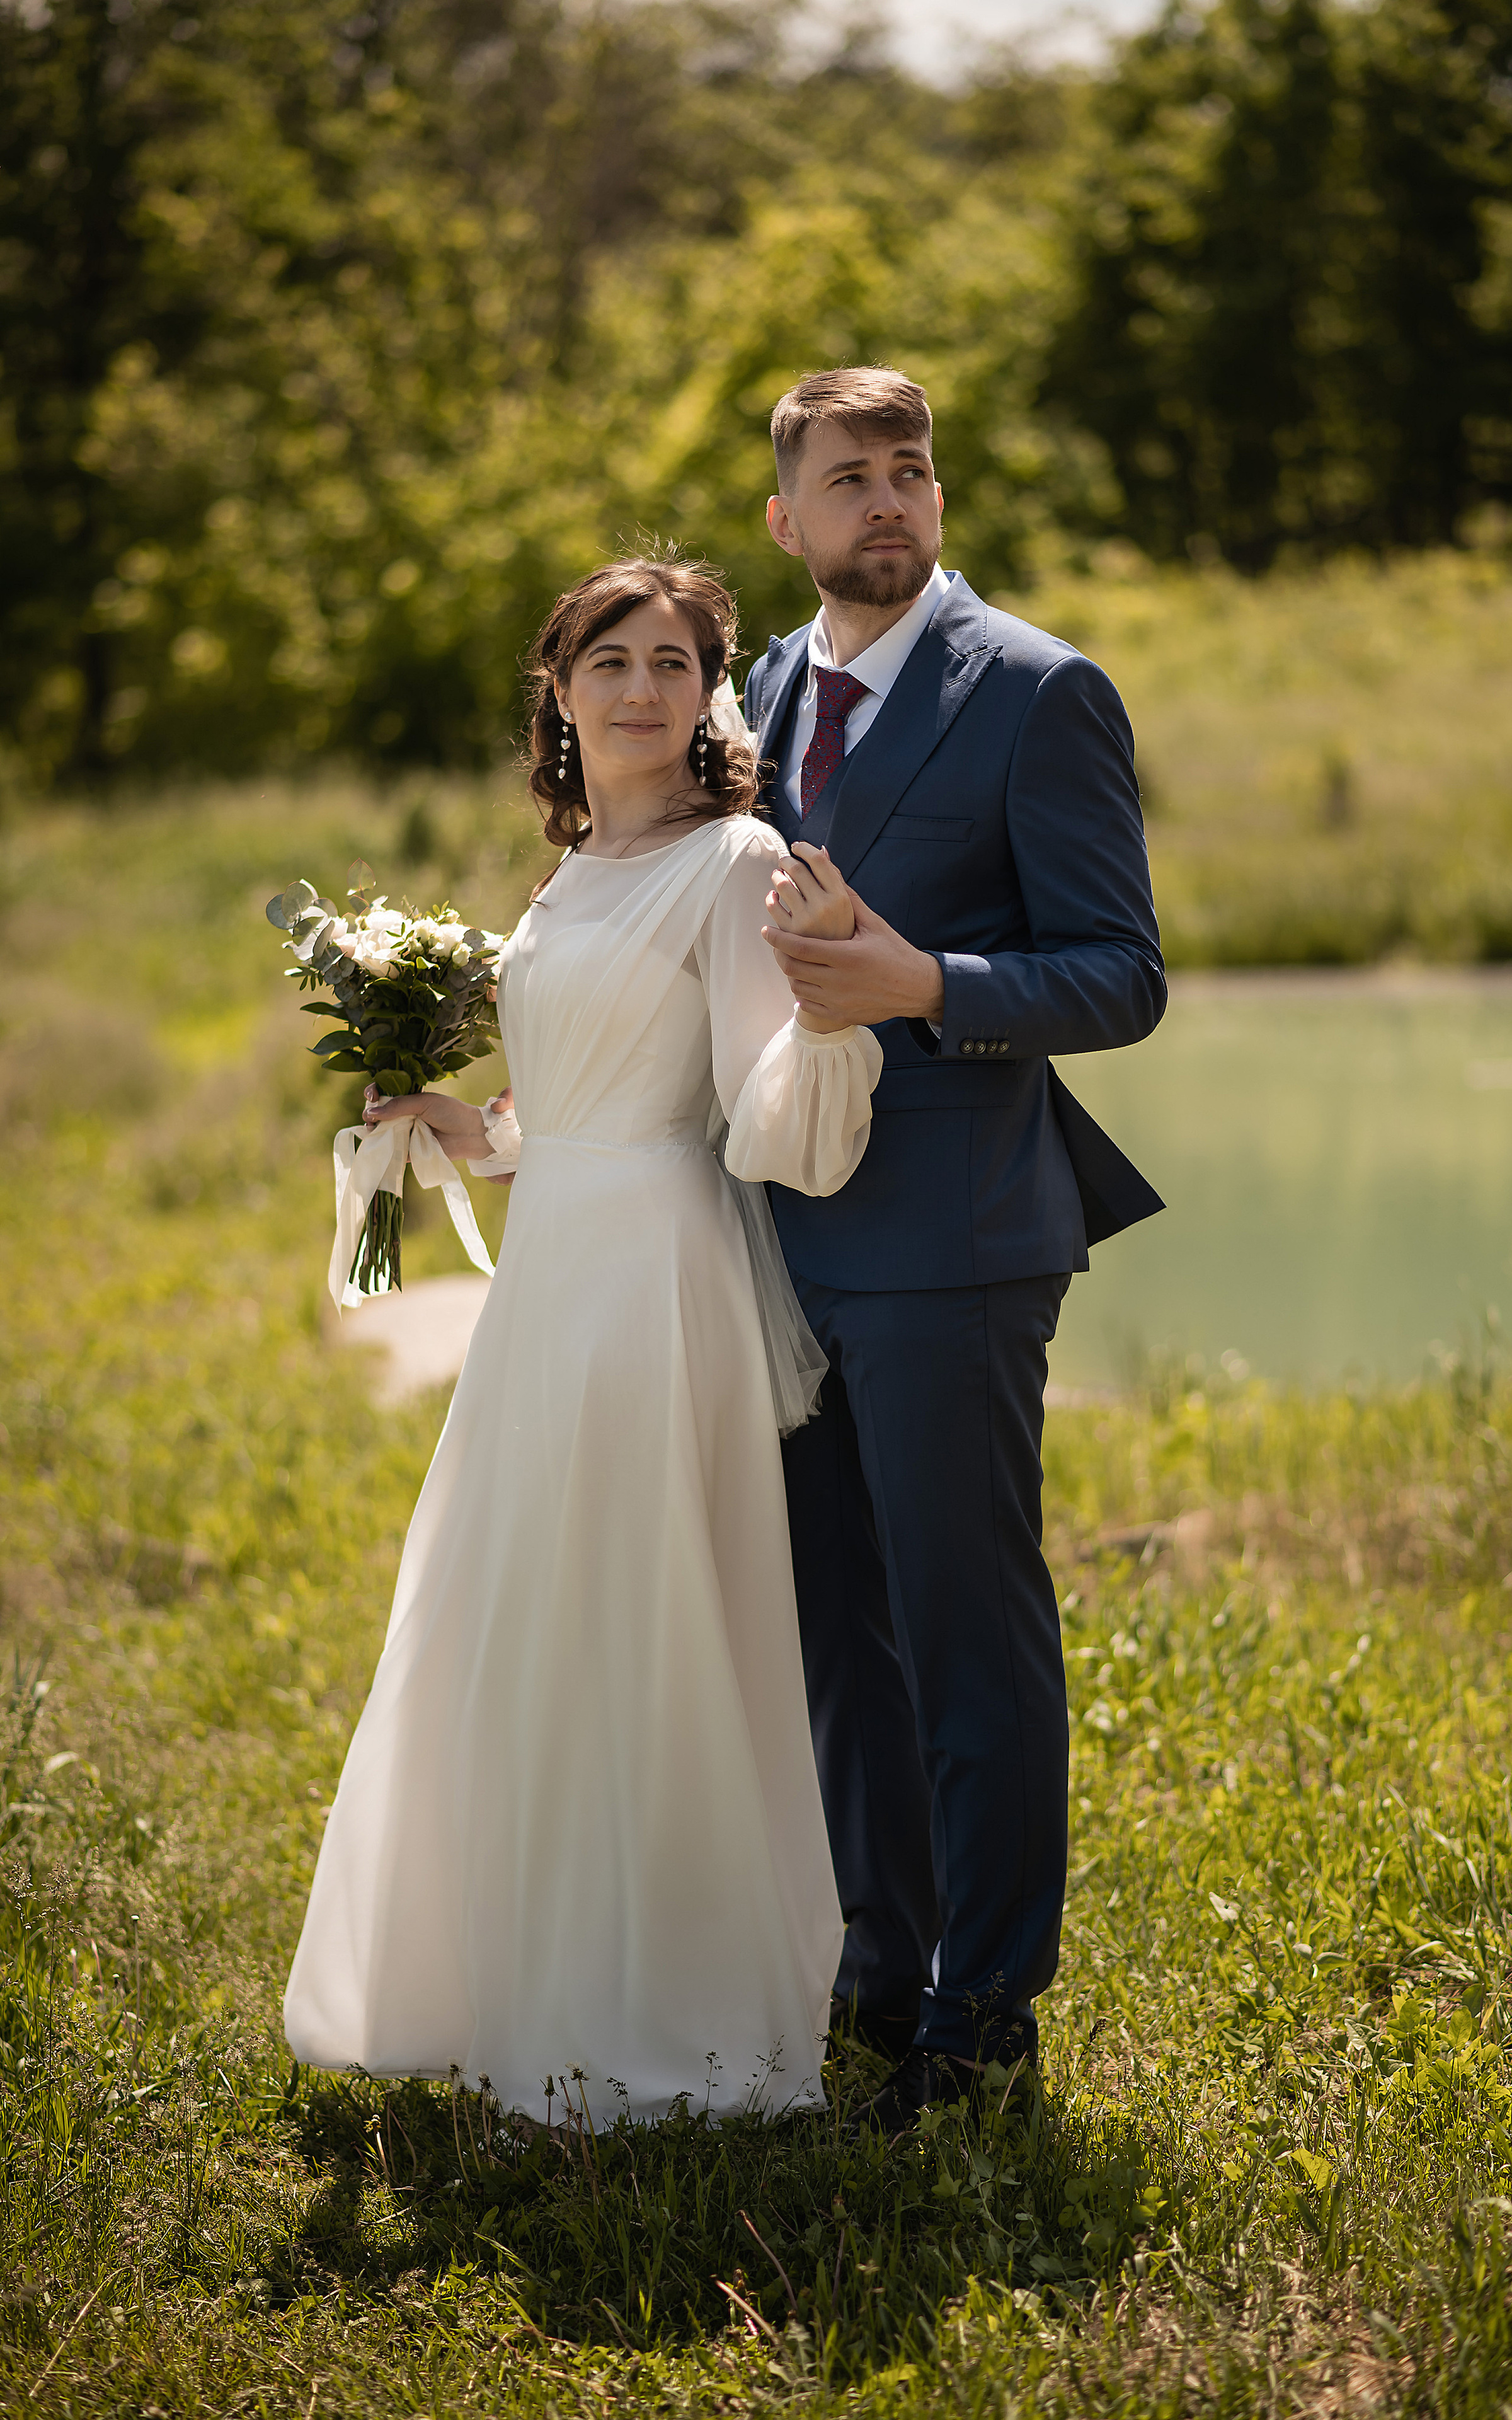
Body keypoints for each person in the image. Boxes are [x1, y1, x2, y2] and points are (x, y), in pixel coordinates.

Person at [282, 555, 881, 2126]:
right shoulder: (567, 874)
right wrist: (463, 1131)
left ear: (707, 693)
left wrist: (826, 1020)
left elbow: (759, 1115)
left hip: (654, 1281)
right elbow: (570, 1110)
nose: (638, 687)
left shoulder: (733, 856)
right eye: (607, 659)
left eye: (672, 662)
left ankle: (658, 2009)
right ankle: (514, 1980)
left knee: (642, 1616)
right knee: (523, 1608)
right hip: (548, 1280)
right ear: (557, 691)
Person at [746, 367, 1169, 2132]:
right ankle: (879, 1975)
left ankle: (989, 2019)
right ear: (789, 520)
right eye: (849, 480)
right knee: (838, 1632)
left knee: (967, 1633)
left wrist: (930, 984)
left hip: (958, 1238)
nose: (889, 505)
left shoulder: (1041, 692)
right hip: (780, 1228)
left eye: (909, 472)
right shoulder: (761, 683)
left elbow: (1121, 974)